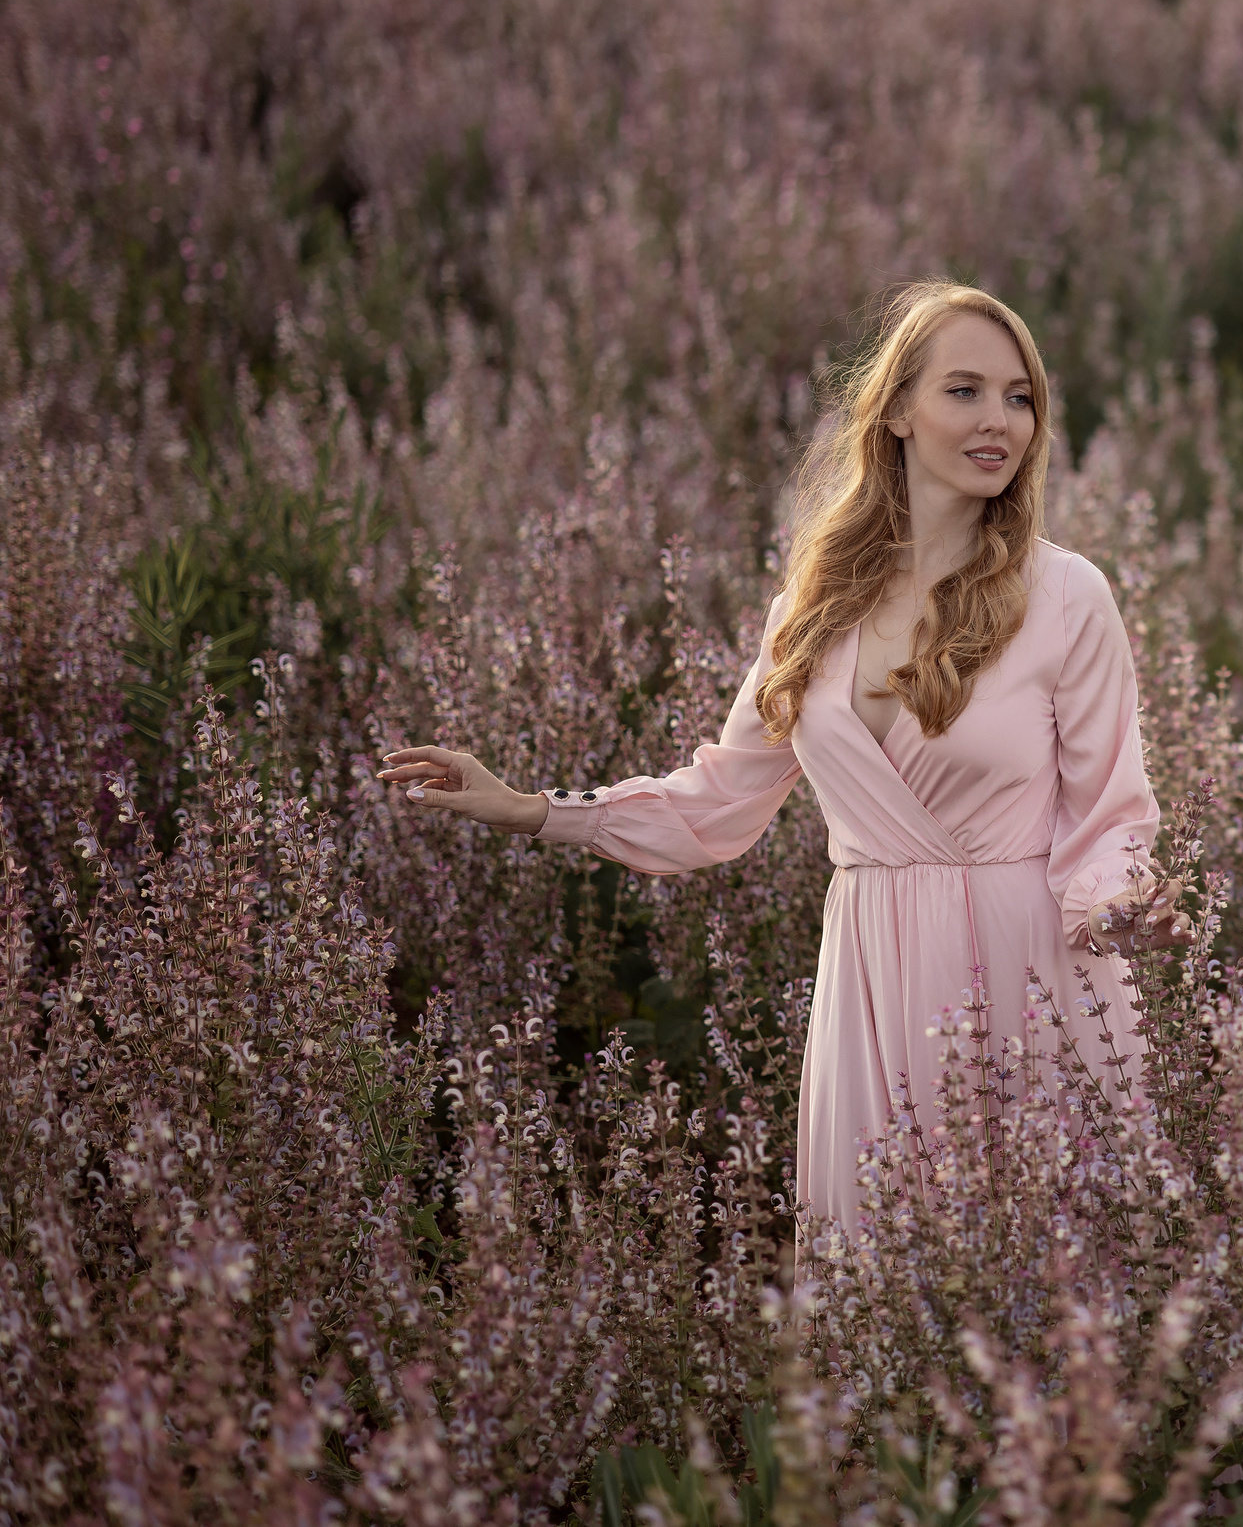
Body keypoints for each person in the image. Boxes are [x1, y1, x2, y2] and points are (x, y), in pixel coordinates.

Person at [376, 281, 1185, 1234]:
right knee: (880, 1298)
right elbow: (719, 802)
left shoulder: (1068, 596)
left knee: (1048, 1303)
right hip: (874, 982)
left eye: (1020, 397)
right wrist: (534, 808)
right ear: (895, 410)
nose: (999, 419)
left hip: (1033, 979)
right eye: (964, 390)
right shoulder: (813, 610)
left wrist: (1123, 905)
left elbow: (1108, 817)